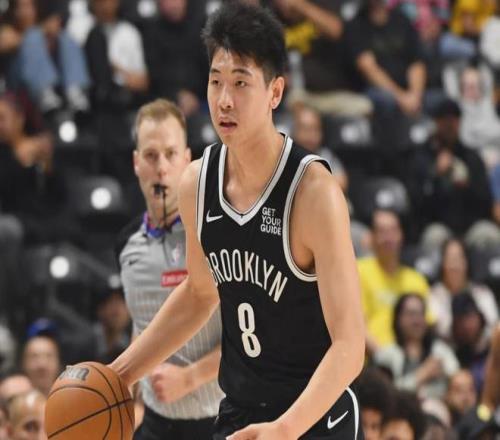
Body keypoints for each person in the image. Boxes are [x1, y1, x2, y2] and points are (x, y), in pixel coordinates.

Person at [110, 3, 365, 439]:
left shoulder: (314, 193)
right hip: (241, 410)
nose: (224, 100)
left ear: (275, 93)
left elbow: (350, 345)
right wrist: (119, 375)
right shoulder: (196, 183)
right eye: (216, 82)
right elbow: (199, 293)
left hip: (315, 416)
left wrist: (284, 430)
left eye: (241, 82)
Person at [115, 98, 223, 439]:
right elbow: (142, 323)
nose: (161, 168)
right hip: (157, 424)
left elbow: (252, 337)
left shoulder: (215, 234)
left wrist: (189, 378)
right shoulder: (126, 244)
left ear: (187, 159)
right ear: (136, 163)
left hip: (221, 420)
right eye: (151, 156)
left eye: (170, 154)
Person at [358, 209, 430, 356]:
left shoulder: (417, 280)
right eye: (382, 231)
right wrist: (384, 357)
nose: (388, 237)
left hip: (411, 361)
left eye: (393, 230)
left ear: (401, 235)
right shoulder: (358, 271)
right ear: (371, 238)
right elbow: (354, 325)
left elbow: (427, 327)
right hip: (371, 361)